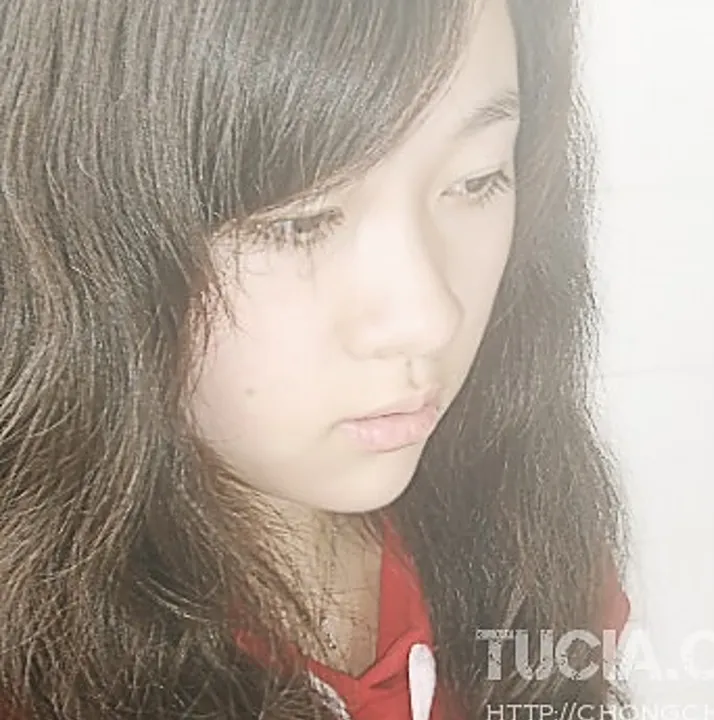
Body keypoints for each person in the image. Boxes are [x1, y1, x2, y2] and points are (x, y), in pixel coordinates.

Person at [0, 0, 632, 717]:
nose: (428, 319)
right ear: (71, 220)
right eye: (299, 222)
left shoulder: (518, 539)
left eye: (476, 180)